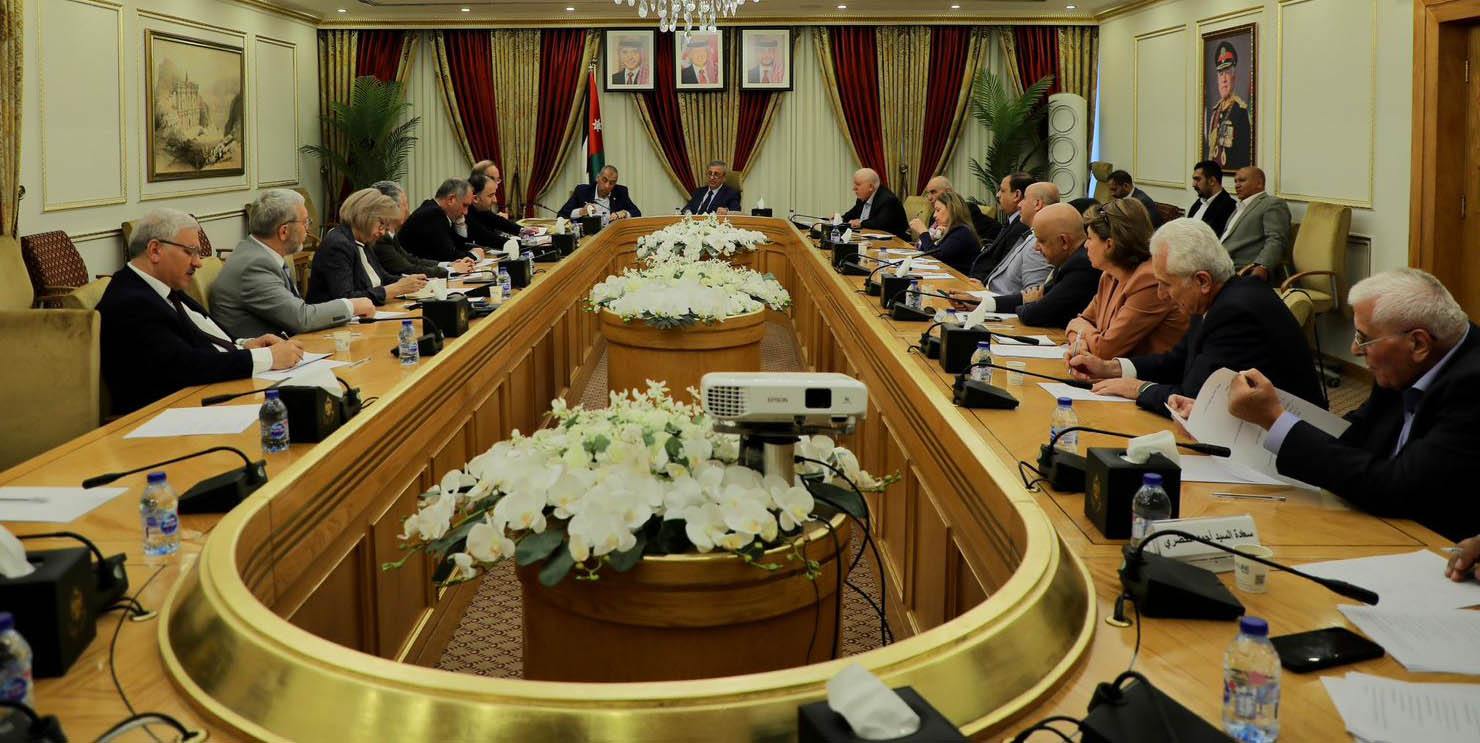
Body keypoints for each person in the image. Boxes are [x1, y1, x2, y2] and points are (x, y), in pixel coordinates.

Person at [1227, 268, 1480, 542]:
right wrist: (1252, 417)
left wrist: (1275, 420)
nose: (1355, 350)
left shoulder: (1472, 385)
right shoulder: (1407, 361)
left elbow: (1397, 488)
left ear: (1418, 343)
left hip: (1433, 542)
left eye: (1364, 338)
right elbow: (1356, 432)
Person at [1068, 218, 1322, 416]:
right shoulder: (1220, 298)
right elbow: (1177, 361)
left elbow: (1194, 399)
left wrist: (1139, 389)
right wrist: (1111, 368)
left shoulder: (1236, 313)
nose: (1161, 294)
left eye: (1166, 284)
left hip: (1287, 451)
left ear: (1202, 281)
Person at [96, 209, 304, 414]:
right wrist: (268, 357)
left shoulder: (163, 288)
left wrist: (245, 345)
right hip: (170, 414)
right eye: (190, 252)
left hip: (208, 394)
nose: (198, 263)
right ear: (155, 250)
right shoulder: (129, 302)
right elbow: (185, 367)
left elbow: (200, 337)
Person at [212, 189, 373, 340]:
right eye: (305, 222)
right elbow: (301, 318)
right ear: (284, 231)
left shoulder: (260, 253)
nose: (308, 230)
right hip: (262, 353)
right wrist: (351, 306)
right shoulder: (254, 266)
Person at [1063, 198, 1189, 359]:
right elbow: (1080, 321)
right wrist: (1080, 341)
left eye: (1090, 238)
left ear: (1109, 245)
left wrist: (1082, 331)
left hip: (1150, 373)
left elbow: (1106, 350)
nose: (1086, 245)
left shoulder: (1149, 280)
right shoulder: (1109, 275)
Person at [961, 202, 1100, 328]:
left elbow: (1035, 314)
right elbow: (1035, 295)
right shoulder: (1070, 258)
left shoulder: (1082, 265)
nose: (1036, 247)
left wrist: (1030, 304)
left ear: (1064, 241)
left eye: (1041, 241)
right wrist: (982, 303)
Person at [307, 188, 427, 306]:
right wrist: (395, 289)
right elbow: (346, 298)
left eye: (386, 227)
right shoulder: (338, 245)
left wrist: (411, 282)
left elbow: (381, 278)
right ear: (365, 215)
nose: (383, 232)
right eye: (382, 224)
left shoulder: (363, 241)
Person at [370, 181, 476, 279]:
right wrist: (451, 269)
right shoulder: (380, 237)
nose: (407, 211)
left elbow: (411, 259)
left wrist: (449, 265)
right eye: (405, 205)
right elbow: (407, 269)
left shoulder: (390, 234)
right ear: (391, 208)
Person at [1220, 166, 1292, 280]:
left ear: (1259, 184)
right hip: (1221, 264)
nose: (1237, 185)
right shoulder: (1240, 206)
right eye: (1235, 181)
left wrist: (1262, 265)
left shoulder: (1272, 204)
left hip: (1242, 269)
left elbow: (1276, 239)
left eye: (1242, 180)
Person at [966, 172, 1034, 281]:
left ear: (1016, 195)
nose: (997, 195)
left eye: (1002, 190)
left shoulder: (1021, 226)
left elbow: (1002, 266)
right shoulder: (1012, 221)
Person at [400, 178, 483, 263]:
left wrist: (460, 225)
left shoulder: (436, 210)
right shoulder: (432, 214)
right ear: (451, 199)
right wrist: (475, 256)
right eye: (465, 205)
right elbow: (449, 256)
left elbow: (456, 247)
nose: (466, 212)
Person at [1206, 40, 1252, 171]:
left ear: (1234, 76)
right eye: (1221, 74)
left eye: (1227, 72)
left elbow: (1244, 156)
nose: (1224, 79)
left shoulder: (1241, 111)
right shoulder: (1215, 113)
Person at [909, 176, 997, 243]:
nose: (929, 198)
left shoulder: (967, 210)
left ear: (948, 192)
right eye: (927, 193)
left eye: (933, 192)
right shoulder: (934, 215)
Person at [917, 192, 980, 275]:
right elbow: (924, 253)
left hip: (959, 279)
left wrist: (923, 232)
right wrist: (933, 238)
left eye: (938, 210)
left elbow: (934, 257)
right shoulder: (949, 230)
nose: (934, 215)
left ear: (952, 210)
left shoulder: (962, 232)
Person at [841, 168, 909, 241]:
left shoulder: (888, 199)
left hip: (895, 242)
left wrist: (860, 223)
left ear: (871, 187)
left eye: (858, 184)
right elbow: (851, 214)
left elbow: (879, 223)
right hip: (869, 239)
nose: (854, 188)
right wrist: (840, 218)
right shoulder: (863, 198)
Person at [559, 165, 642, 221]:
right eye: (604, 180)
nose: (607, 186)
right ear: (597, 178)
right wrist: (581, 211)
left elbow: (637, 213)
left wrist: (625, 213)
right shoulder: (582, 191)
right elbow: (562, 214)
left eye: (611, 183)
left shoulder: (621, 192)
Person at [466, 172, 523, 247]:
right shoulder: (465, 213)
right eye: (490, 195)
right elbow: (490, 238)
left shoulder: (479, 208)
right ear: (475, 199)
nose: (495, 200)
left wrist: (522, 230)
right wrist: (526, 243)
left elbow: (497, 220)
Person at [1186, 160, 1237, 236]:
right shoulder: (1199, 203)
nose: (1193, 184)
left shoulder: (1229, 206)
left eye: (1197, 179)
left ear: (1212, 181)